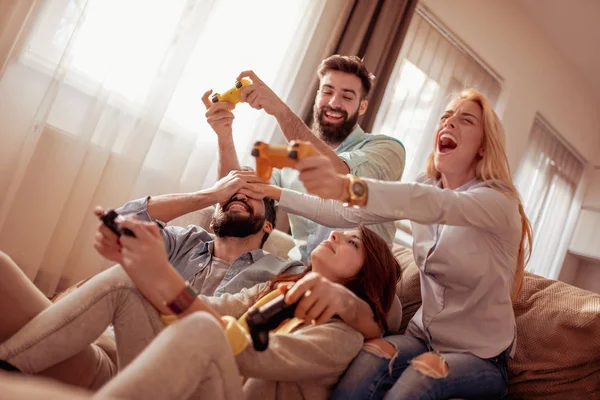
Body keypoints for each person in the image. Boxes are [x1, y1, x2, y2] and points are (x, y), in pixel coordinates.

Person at [0, 169, 401, 391]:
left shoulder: (334, 325)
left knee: (202, 333)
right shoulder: (274, 289)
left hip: (206, 382)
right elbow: (208, 307)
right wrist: (143, 269)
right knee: (122, 281)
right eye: (340, 231)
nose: (333, 234)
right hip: (137, 355)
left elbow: (244, 353)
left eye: (352, 242)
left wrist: (356, 307)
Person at [265, 88, 533, 399]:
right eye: (446, 117)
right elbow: (343, 212)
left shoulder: (498, 202)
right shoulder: (425, 184)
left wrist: (348, 186)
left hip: (481, 356)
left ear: (484, 147)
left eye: (466, 120)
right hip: (422, 336)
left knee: (423, 373)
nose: (449, 123)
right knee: (371, 354)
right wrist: (274, 194)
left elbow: (434, 203)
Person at [202, 55, 406, 263]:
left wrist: (280, 110)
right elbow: (236, 190)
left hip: (358, 281)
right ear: (317, 96)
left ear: (362, 106)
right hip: (298, 271)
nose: (334, 103)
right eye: (327, 92)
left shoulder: (387, 149)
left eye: (347, 96)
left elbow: (337, 173)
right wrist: (224, 134)